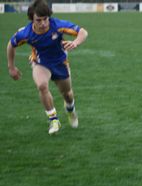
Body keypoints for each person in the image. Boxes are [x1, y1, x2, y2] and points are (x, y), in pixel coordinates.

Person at [7, 0, 88, 135]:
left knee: (67, 94)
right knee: (42, 86)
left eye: (45, 19)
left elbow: (83, 32)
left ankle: (71, 110)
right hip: (40, 63)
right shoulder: (25, 33)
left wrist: (76, 43)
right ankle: (53, 119)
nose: (43, 23)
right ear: (32, 19)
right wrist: (11, 67)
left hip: (60, 63)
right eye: (39, 20)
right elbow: (11, 45)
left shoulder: (57, 25)